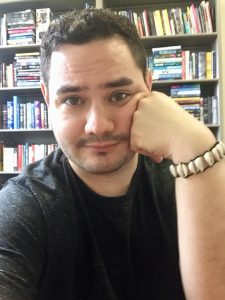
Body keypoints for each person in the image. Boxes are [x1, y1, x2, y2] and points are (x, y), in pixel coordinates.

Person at [0, 8, 225, 300]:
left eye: (118, 96)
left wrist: (196, 145)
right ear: (46, 99)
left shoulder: (191, 179)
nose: (98, 126)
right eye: (73, 100)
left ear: (148, 86)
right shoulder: (22, 207)